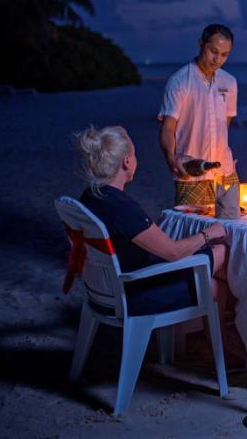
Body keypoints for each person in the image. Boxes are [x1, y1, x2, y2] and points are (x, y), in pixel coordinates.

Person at [75, 125, 229, 317]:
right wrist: (210, 233)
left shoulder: (90, 197)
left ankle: (175, 344)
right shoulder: (123, 208)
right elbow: (173, 253)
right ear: (127, 161)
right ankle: (214, 344)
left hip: (104, 289)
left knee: (206, 273)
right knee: (221, 256)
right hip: (135, 290)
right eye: (135, 154)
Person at [159, 23, 238, 206]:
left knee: (233, 228)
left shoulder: (230, 82)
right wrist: (172, 160)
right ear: (201, 44)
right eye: (213, 51)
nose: (217, 59)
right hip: (192, 174)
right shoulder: (179, 81)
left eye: (224, 55)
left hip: (225, 171)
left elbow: (224, 126)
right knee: (192, 228)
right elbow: (167, 128)